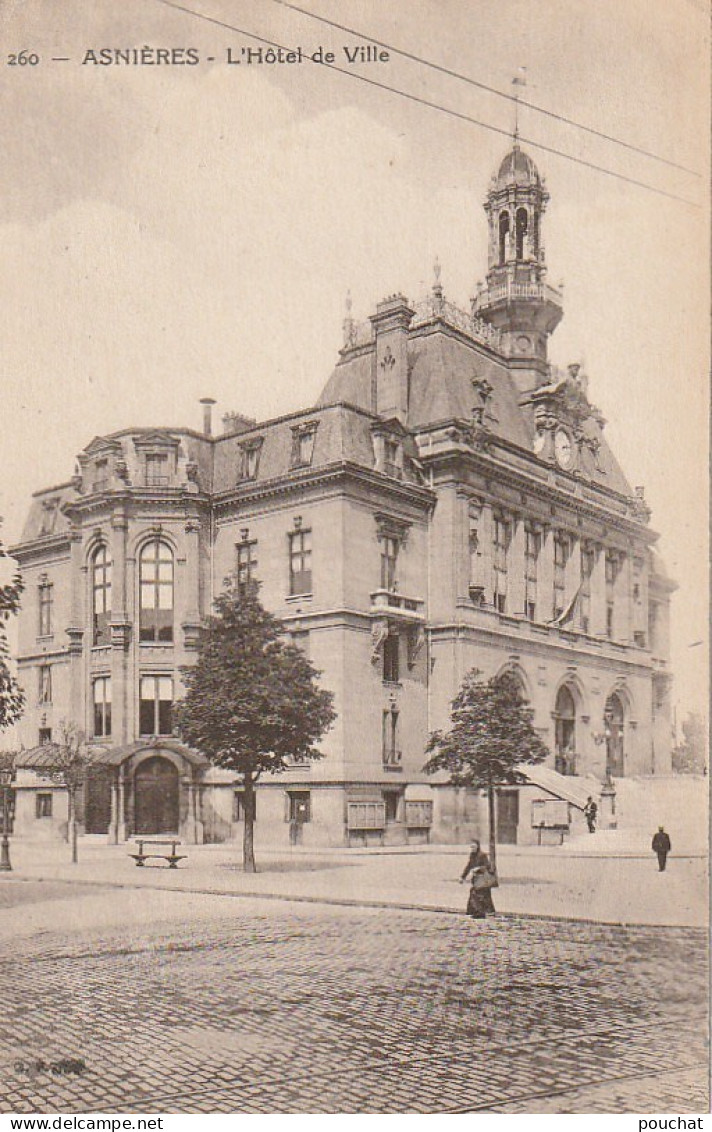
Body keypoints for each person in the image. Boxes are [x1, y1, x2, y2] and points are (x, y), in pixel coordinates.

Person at [460, 840, 496, 917]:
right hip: (477, 879)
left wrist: (478, 868)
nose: (472, 848)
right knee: (480, 895)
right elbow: (469, 866)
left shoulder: (482, 855)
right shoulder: (472, 855)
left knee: (480, 895)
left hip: (483, 879)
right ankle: (480, 911)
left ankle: (481, 912)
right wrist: (463, 877)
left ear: (478, 846)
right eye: (471, 847)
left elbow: (487, 866)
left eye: (474, 847)